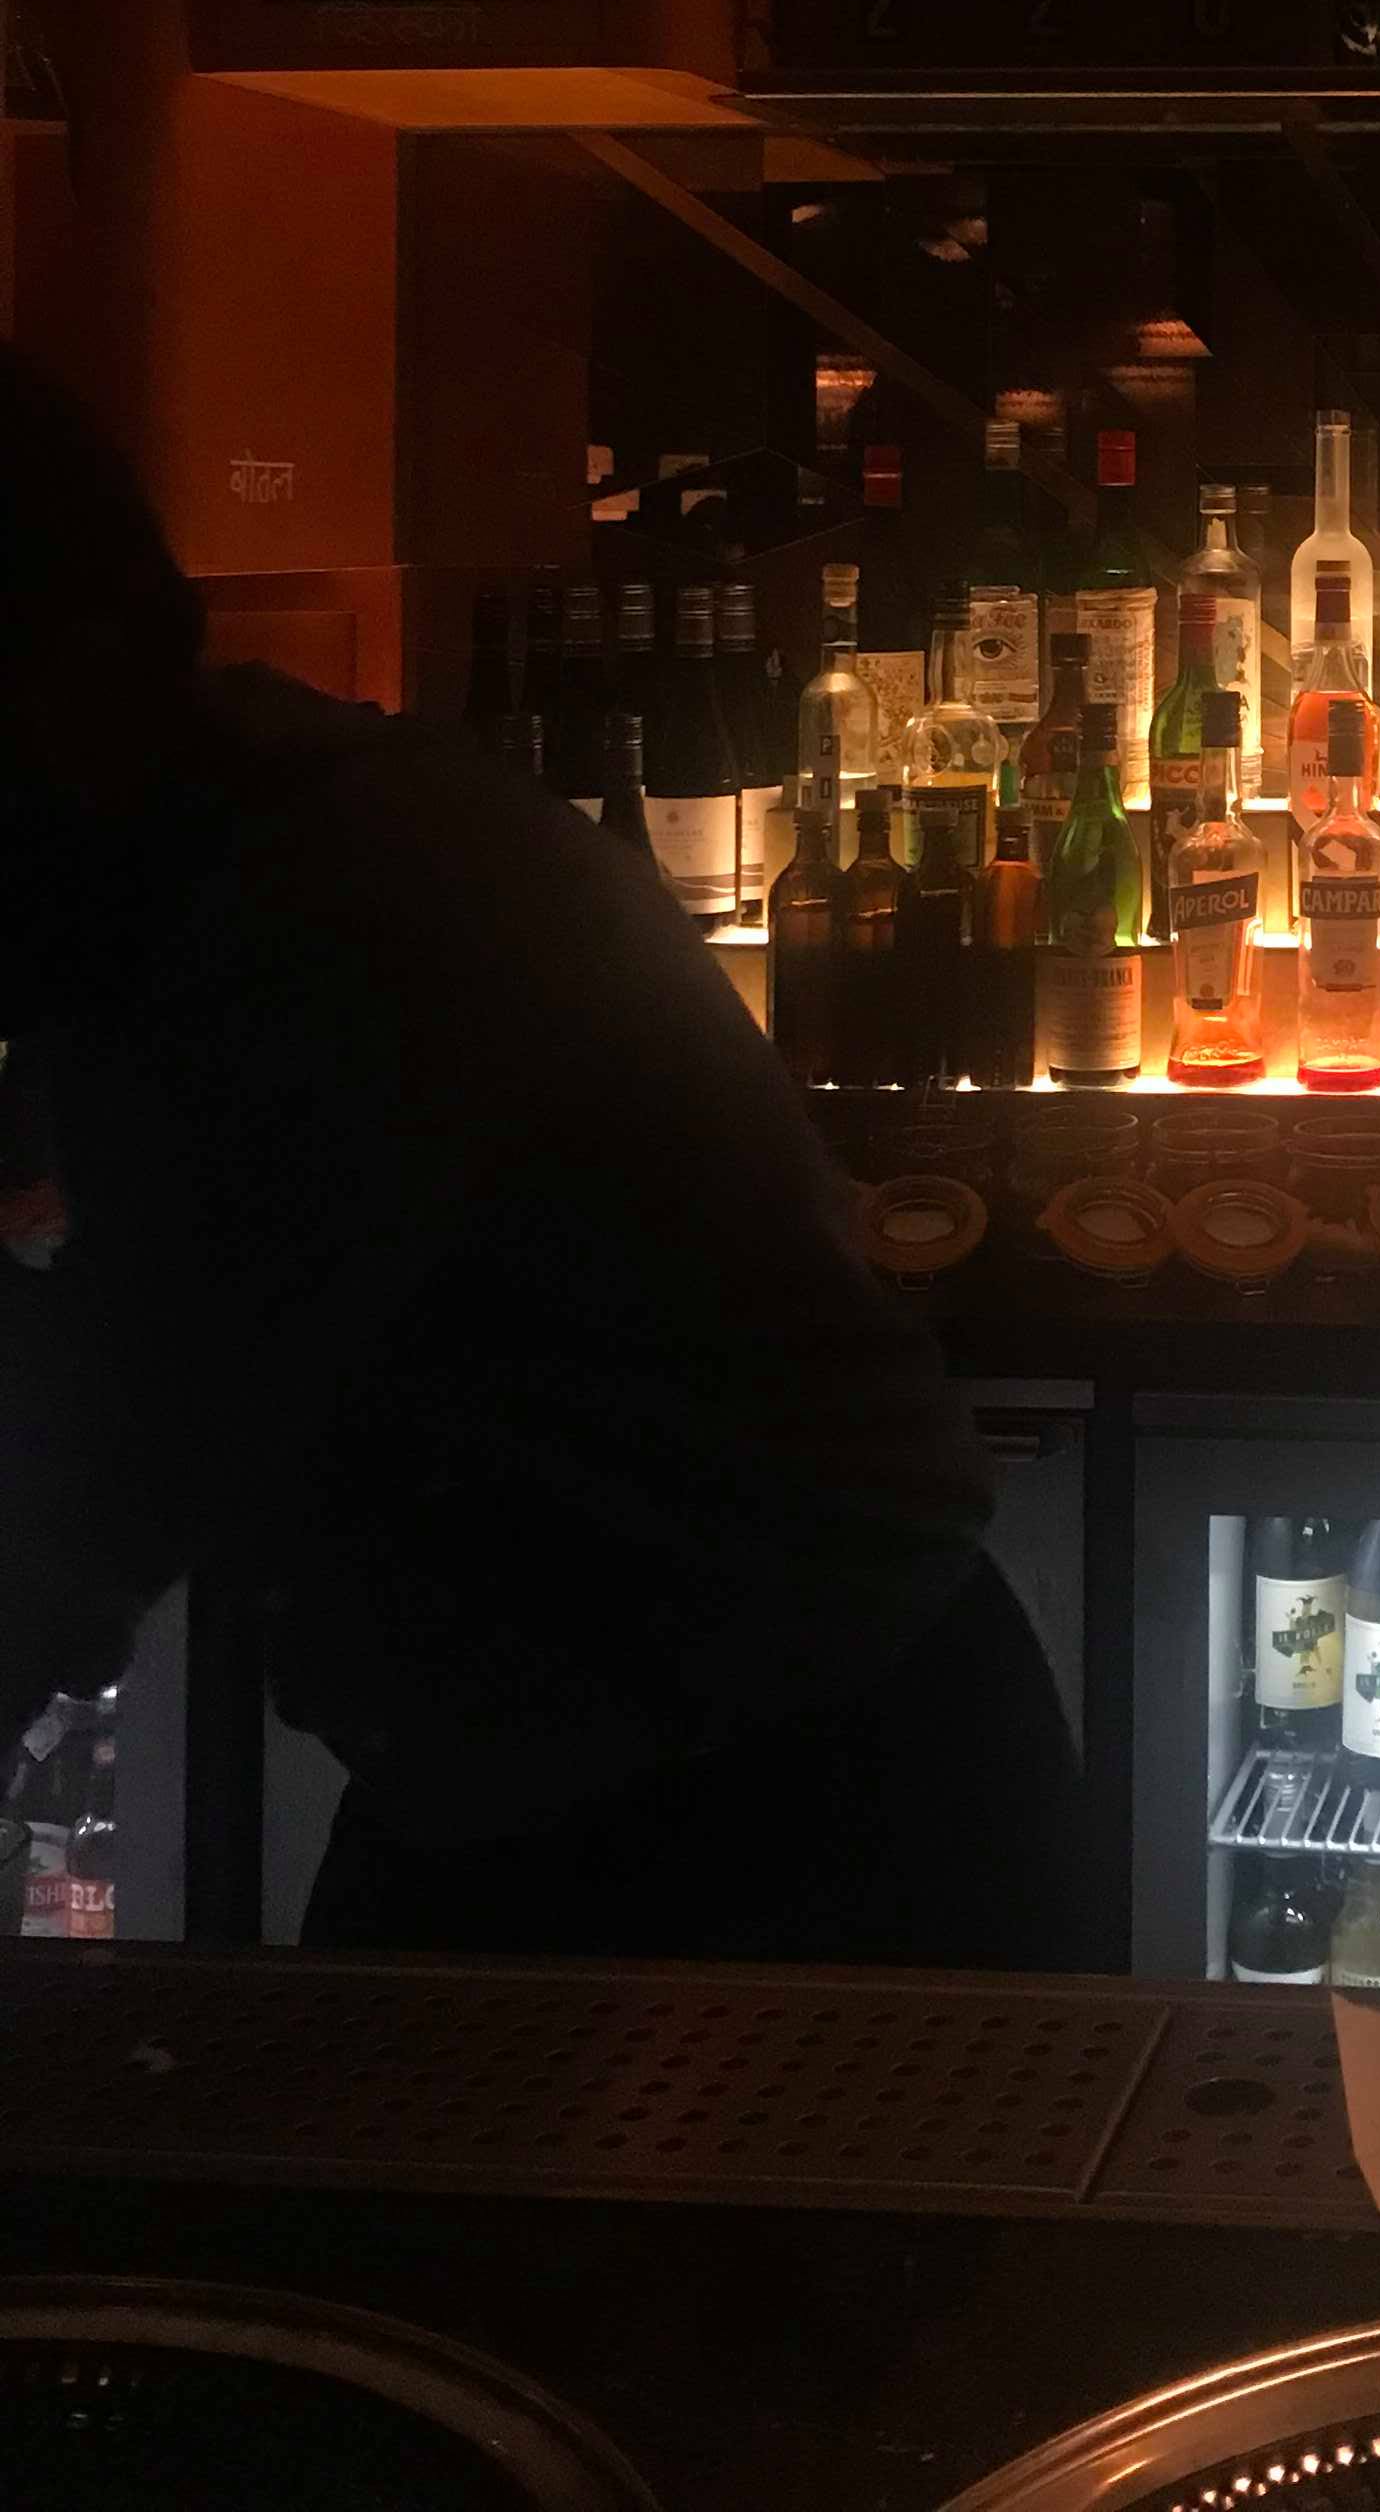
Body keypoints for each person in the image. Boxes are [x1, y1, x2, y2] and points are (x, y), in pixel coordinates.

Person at [0, 344, 1074, 1967]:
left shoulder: (307, 911)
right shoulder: (247, 852)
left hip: (777, 1810)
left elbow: (104, 1470)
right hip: (634, 1761)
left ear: (61, 680)